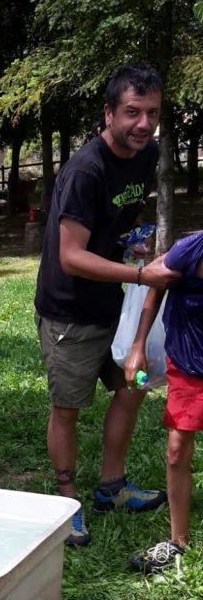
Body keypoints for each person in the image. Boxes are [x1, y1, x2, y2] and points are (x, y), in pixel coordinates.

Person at [34, 62, 181, 547]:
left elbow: (118, 220)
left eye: (152, 113)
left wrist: (133, 244)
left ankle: (111, 488)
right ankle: (68, 505)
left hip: (112, 304)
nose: (144, 123)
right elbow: (70, 256)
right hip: (67, 311)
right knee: (67, 409)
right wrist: (141, 273)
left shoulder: (147, 153)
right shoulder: (85, 169)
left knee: (133, 387)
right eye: (133, 112)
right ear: (109, 113)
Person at [126, 232, 203, 572]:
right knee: (176, 452)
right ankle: (178, 541)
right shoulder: (191, 249)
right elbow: (156, 285)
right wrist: (138, 346)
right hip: (187, 363)